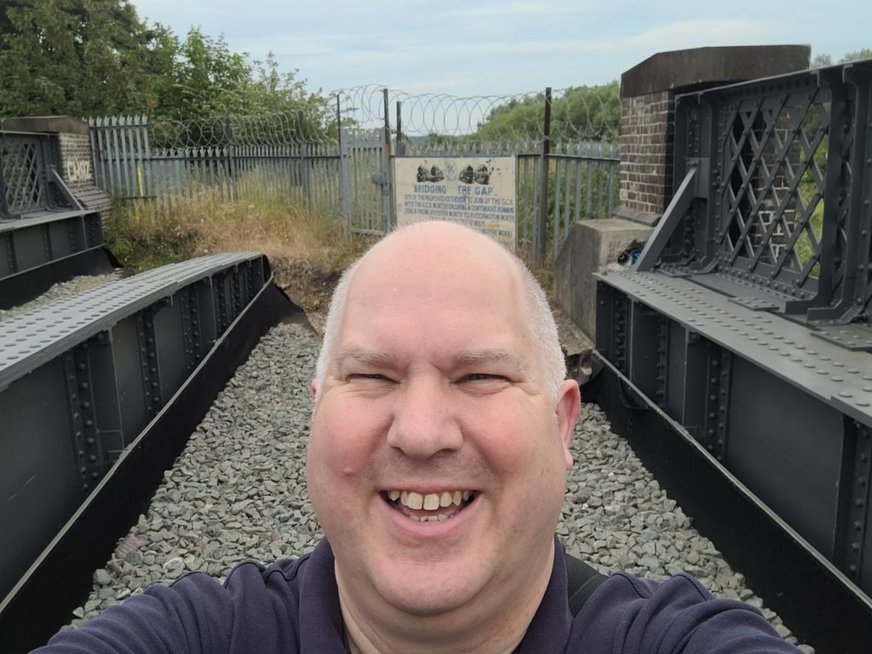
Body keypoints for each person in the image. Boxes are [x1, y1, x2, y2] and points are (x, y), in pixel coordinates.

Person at [34, 221, 801, 653]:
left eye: (481, 378)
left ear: (565, 420)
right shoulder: (195, 637)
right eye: (371, 376)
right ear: (316, 412)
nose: (423, 432)